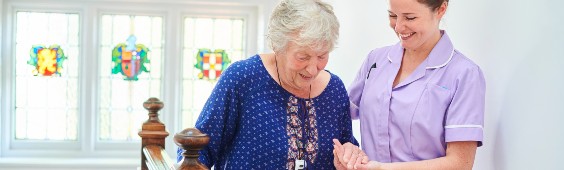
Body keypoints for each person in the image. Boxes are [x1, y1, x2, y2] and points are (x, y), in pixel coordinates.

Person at [176, 0, 358, 169]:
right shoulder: (242, 78)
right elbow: (198, 150)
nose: (312, 69)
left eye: (321, 56)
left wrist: (351, 154)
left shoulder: (334, 89)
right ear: (278, 46)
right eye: (303, 57)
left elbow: (347, 146)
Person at [333, 0, 486, 169]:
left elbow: (460, 164)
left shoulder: (463, 74)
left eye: (410, 18)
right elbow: (340, 116)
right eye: (392, 16)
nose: (398, 27)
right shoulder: (375, 61)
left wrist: (380, 169)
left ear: (441, 9)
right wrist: (348, 150)